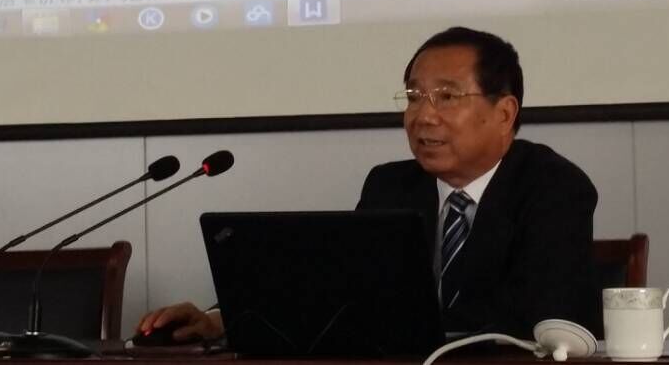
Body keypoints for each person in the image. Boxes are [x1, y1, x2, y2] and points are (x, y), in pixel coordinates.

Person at [136, 27, 598, 341]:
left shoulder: (554, 189)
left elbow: (539, 318)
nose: (423, 115)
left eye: (446, 96)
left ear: (504, 113)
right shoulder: (391, 186)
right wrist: (222, 320)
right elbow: (336, 294)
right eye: (414, 96)